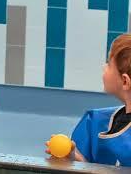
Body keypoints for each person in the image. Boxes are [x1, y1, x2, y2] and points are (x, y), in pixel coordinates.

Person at [46, 34, 131, 167]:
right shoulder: (95, 120)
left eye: (109, 64)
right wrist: (76, 161)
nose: (104, 67)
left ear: (125, 81)